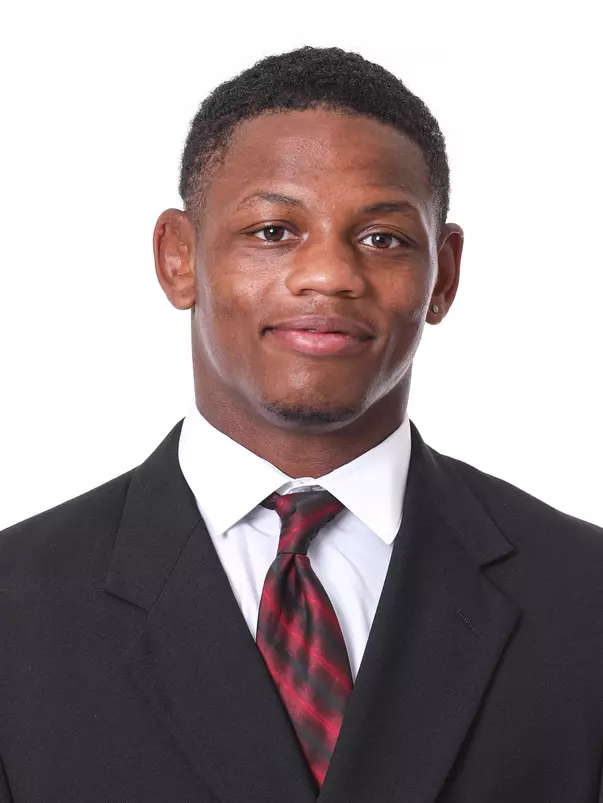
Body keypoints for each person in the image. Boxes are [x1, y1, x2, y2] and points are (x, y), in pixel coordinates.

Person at [0, 45, 602, 803]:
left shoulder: (585, 597)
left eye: (382, 237)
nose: (328, 273)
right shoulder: (16, 607)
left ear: (442, 275)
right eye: (273, 231)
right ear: (178, 258)